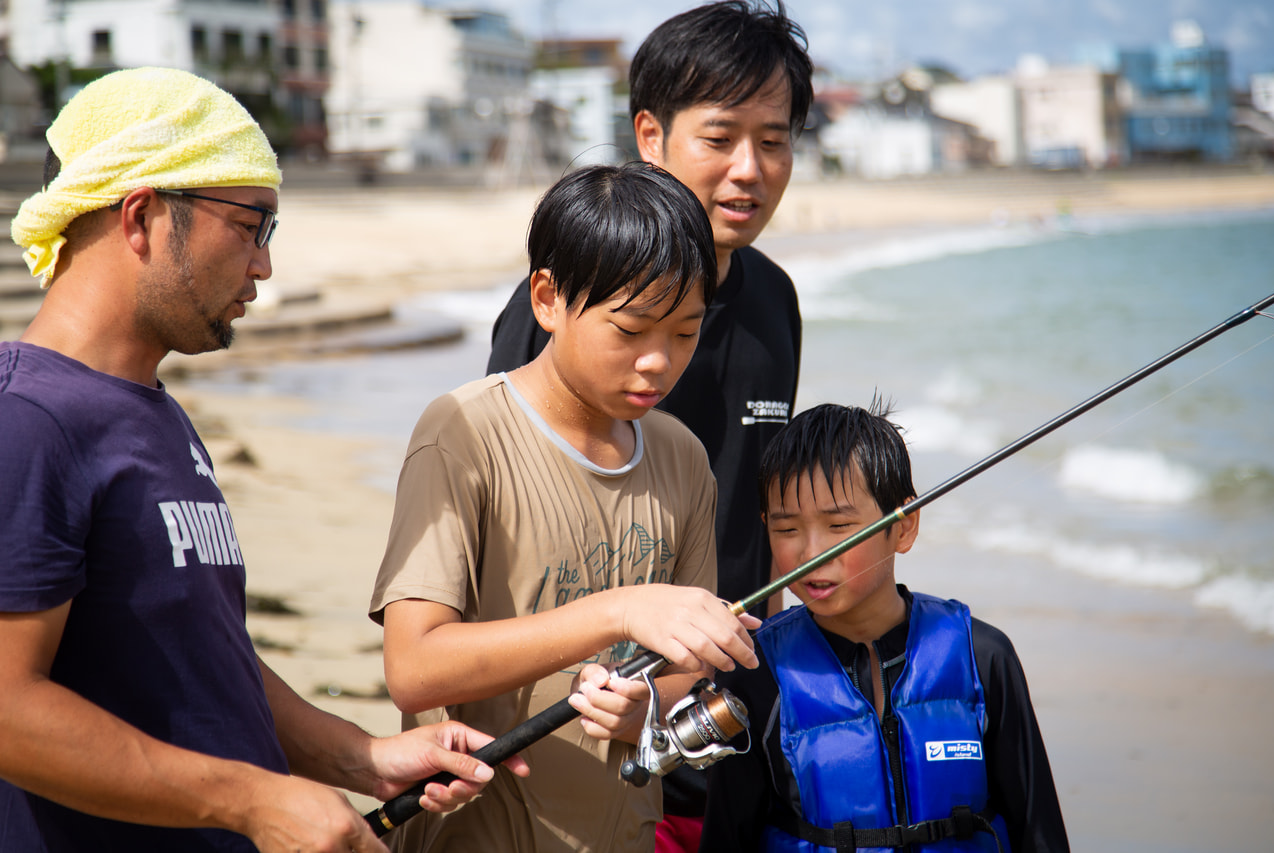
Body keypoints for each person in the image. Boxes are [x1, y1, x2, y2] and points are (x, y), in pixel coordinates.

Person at [0, 67, 524, 853]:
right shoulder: (27, 419)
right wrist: (251, 800)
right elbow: (7, 707)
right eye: (251, 225)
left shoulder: (155, 411)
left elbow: (203, 650)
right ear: (142, 213)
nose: (265, 266)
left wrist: (361, 757)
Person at [484, 5, 814, 845]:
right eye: (720, 138)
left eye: (773, 141)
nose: (749, 170)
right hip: (588, 713)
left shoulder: (774, 299)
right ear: (650, 136)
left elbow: (764, 503)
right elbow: (502, 523)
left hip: (729, 700)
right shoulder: (569, 306)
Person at [369, 161, 762, 853]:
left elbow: (687, 674)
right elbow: (414, 664)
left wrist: (648, 702)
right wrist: (615, 611)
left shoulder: (681, 456)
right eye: (631, 329)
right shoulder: (463, 431)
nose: (658, 362)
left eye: (684, 332)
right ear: (548, 299)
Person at [698, 402, 1070, 852]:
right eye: (787, 529)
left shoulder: (983, 655)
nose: (811, 552)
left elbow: (1039, 827)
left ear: (905, 526)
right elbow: (727, 837)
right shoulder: (757, 671)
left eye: (839, 526)